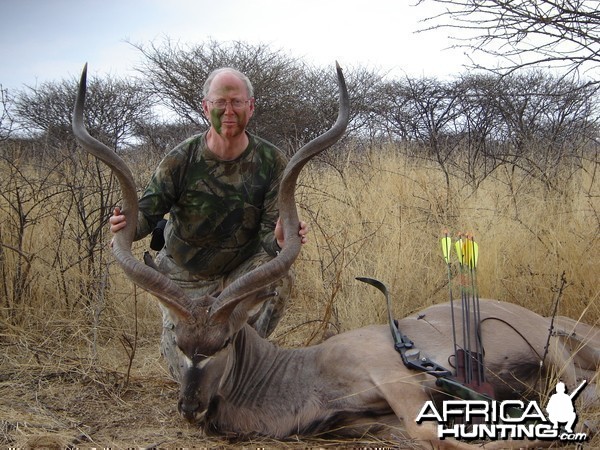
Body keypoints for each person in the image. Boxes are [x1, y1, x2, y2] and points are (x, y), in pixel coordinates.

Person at [109, 67, 308, 381]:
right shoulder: (181, 158)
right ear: (206, 107)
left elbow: (272, 234)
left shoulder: (272, 161)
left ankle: (248, 357)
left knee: (282, 277)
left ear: (250, 107)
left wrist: (281, 239)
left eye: (237, 102)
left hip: (239, 275)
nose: (228, 111)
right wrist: (126, 224)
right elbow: (146, 214)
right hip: (184, 278)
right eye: (220, 102)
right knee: (185, 373)